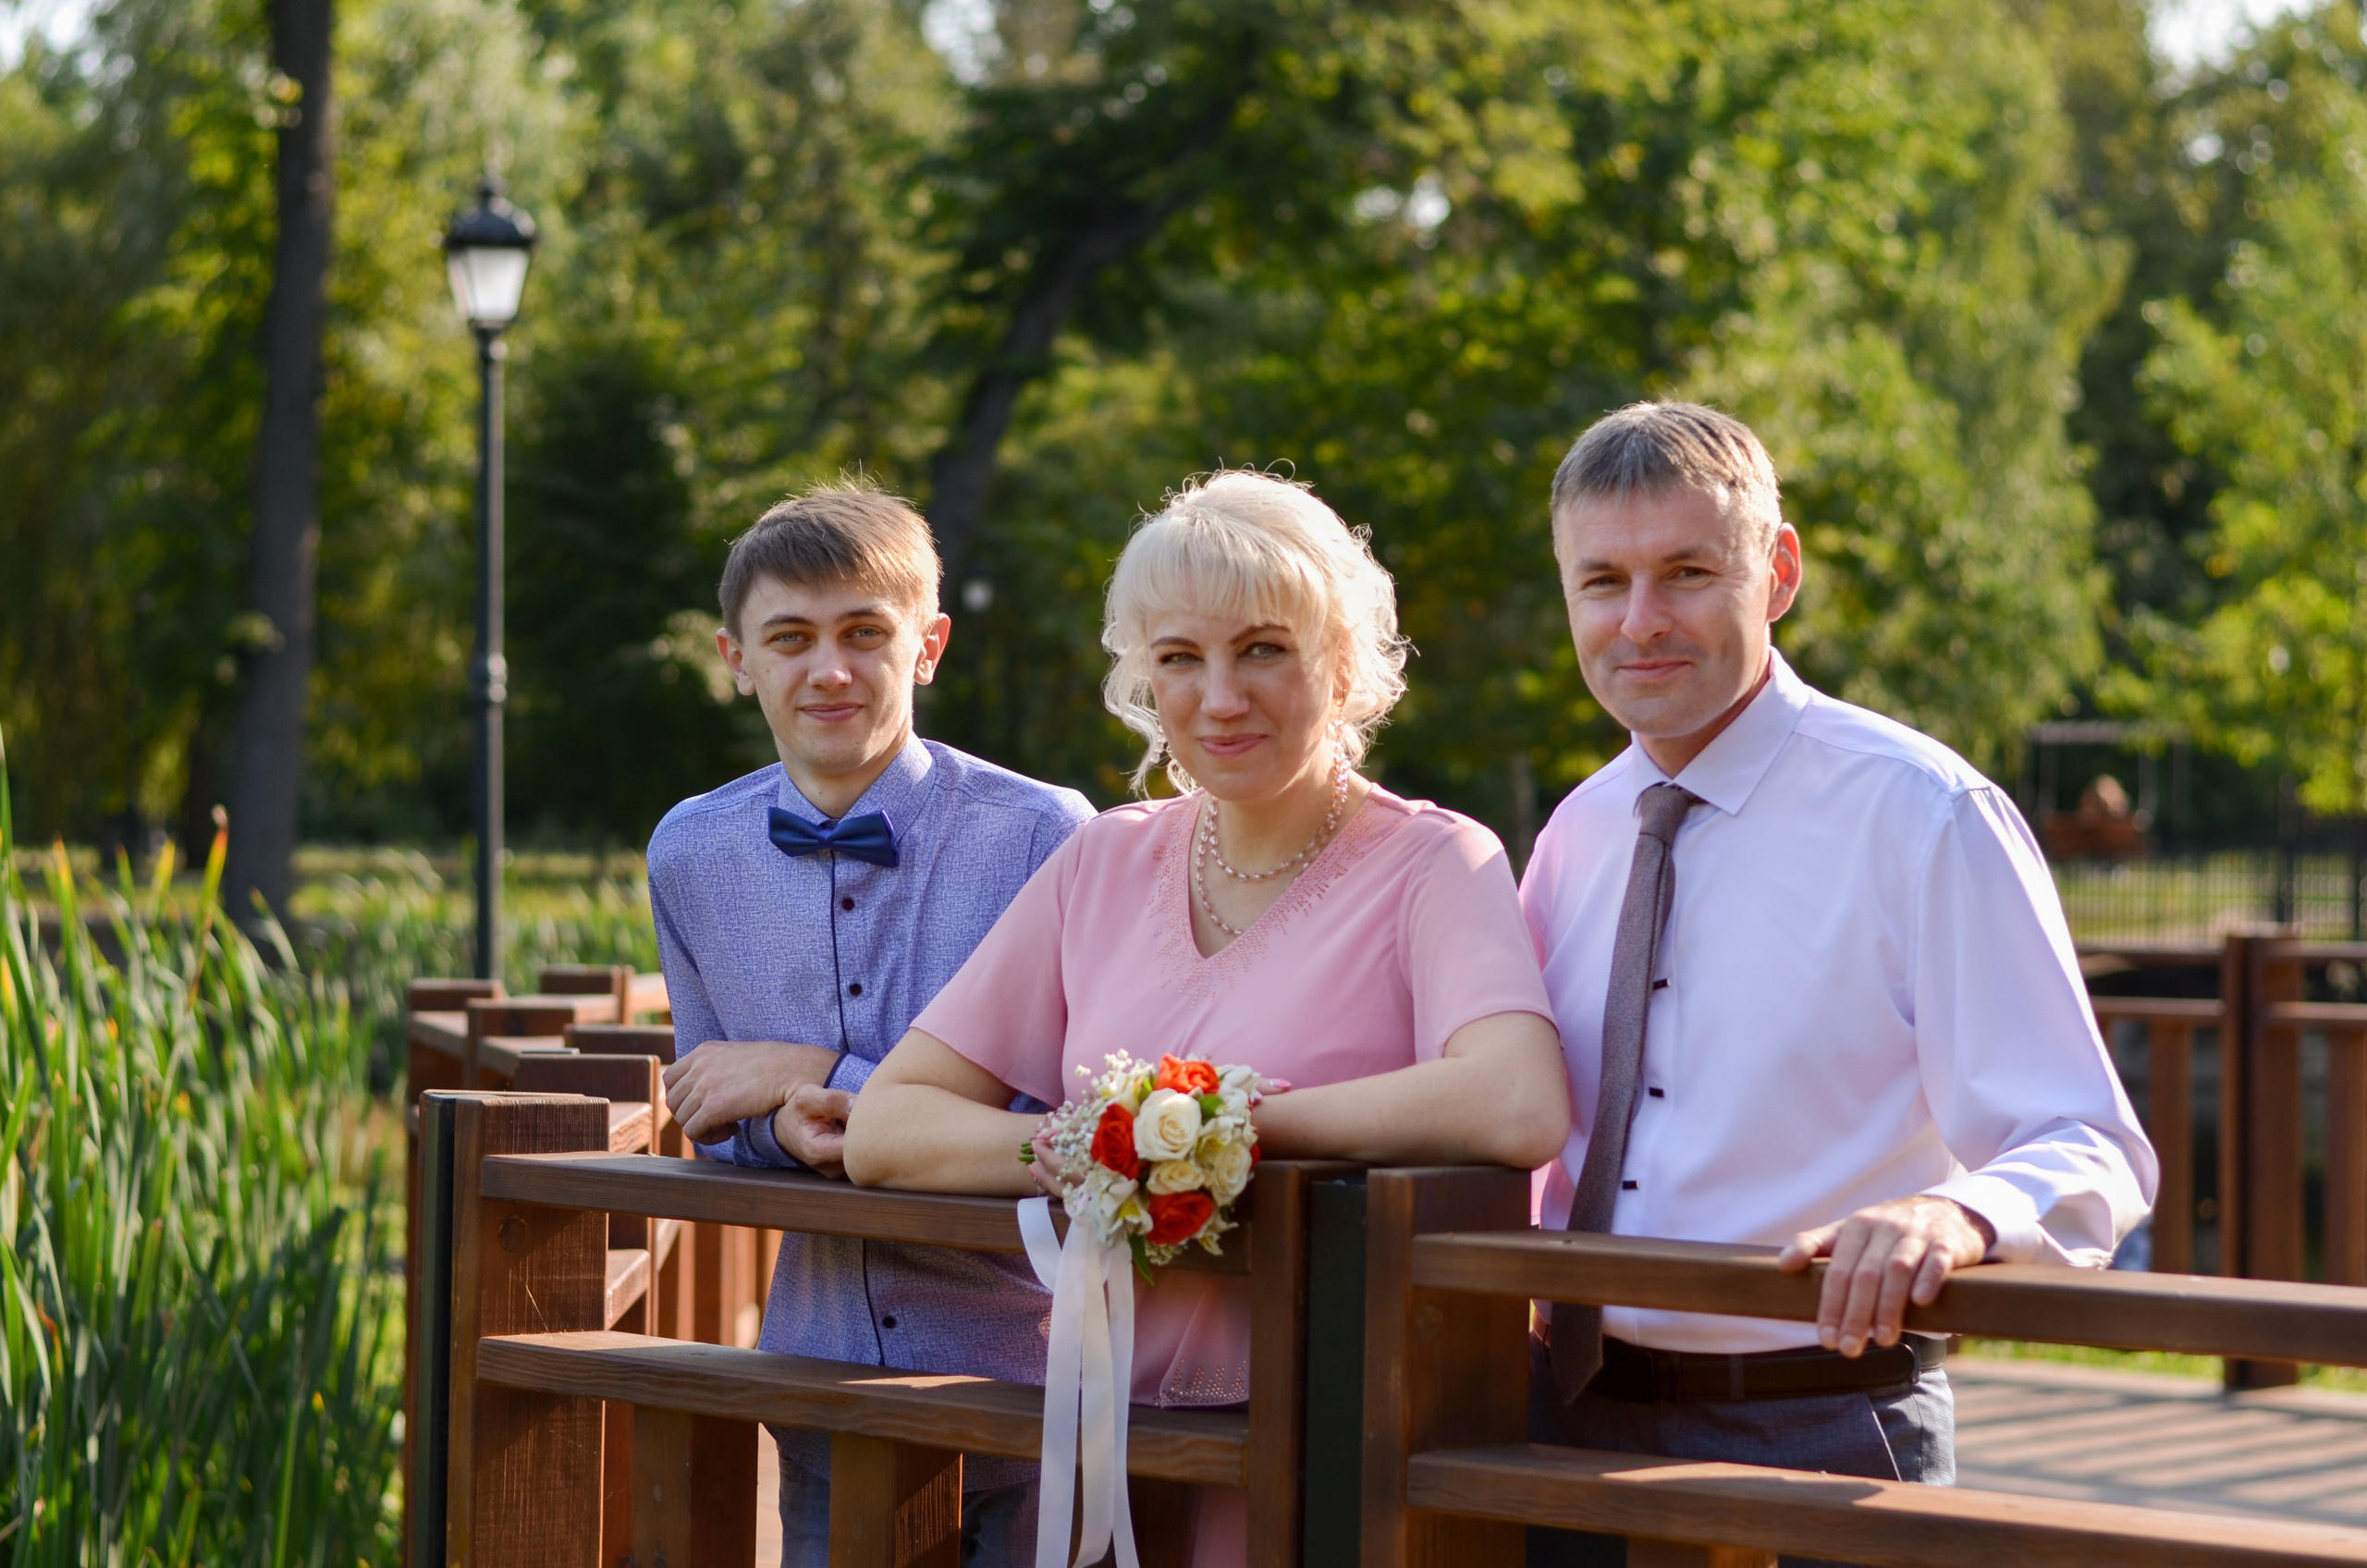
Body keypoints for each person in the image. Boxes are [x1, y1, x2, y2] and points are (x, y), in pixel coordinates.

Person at [840, 470, 1571, 1568]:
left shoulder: (1438, 860)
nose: (1219, 696)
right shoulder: (1102, 858)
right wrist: (1098, 1141)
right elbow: (887, 1127)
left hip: (1346, 1434)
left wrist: (1220, 1130)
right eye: (1180, 658)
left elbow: (1515, 1099)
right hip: (1112, 1434)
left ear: (1341, 659)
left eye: (1263, 649)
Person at [1519, 402, 2157, 1566]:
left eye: (1688, 571)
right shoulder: (1574, 834)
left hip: (1825, 1420)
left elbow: (2089, 1142)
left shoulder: (1924, 814)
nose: (1640, 621)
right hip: (1565, 1427)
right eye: (1601, 581)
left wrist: (1952, 1212)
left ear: (1778, 571)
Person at [644, 484, 1093, 1566]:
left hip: (1031, 1380)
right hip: (820, 1378)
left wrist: (815, 1066)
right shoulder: (688, 854)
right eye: (789, 638)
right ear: (736, 657)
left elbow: (1075, 1118)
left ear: (927, 645)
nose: (828, 669)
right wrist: (779, 1128)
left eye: (864, 633)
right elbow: (711, 1103)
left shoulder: (1048, 837)